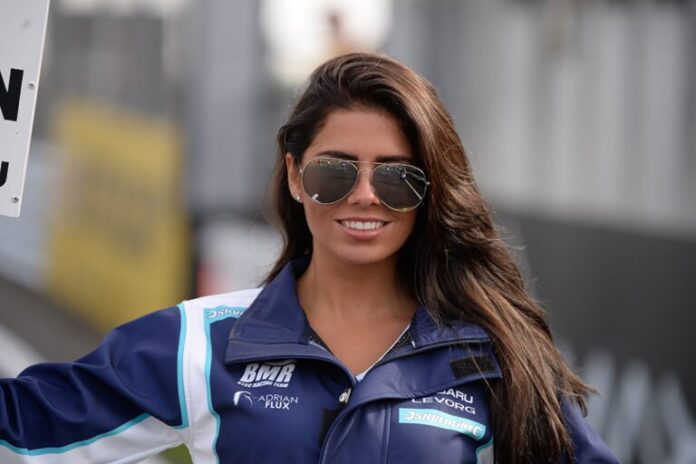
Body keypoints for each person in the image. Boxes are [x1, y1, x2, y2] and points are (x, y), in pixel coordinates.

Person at [0, 53, 618, 463]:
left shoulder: (490, 357)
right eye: (334, 171)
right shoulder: (205, 342)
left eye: (399, 177)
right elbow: (23, 428)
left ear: (431, 194)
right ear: (296, 176)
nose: (365, 194)